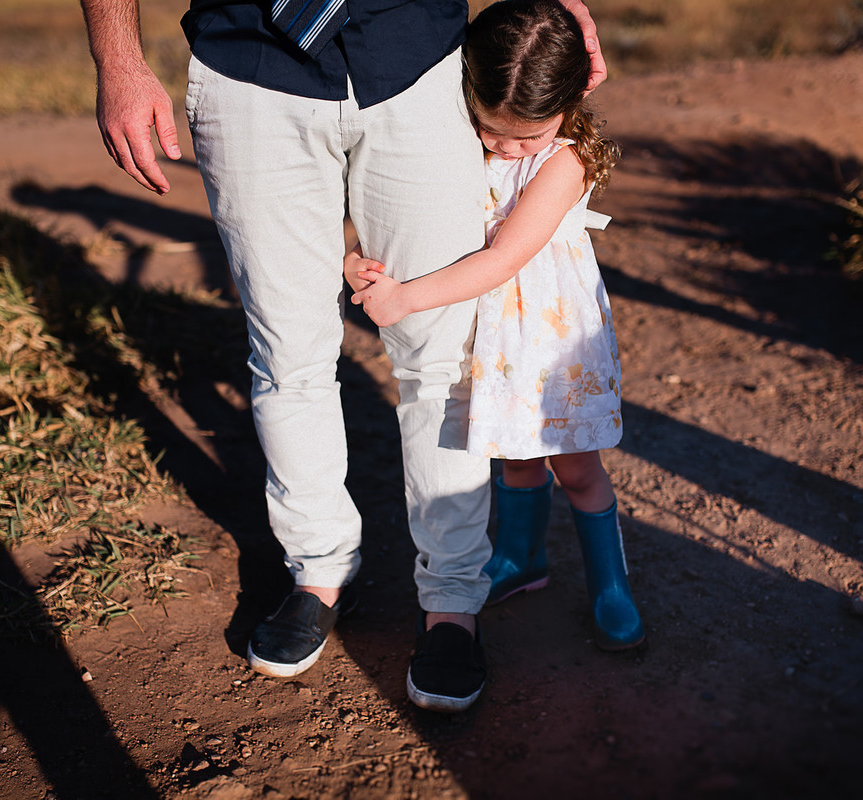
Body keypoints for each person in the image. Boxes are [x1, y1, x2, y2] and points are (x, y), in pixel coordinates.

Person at [78, 0, 609, 712]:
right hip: (249, 68)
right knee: (286, 350)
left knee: (441, 357)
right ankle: (319, 571)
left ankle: (452, 600)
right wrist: (118, 58)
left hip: (417, 61)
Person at [348, 0, 645, 651]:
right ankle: (520, 560)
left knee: (576, 468)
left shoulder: (565, 163)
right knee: (514, 458)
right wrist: (359, 255)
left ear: (567, 107)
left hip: (547, 339)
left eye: (524, 137)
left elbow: (503, 257)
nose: (505, 147)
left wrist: (406, 299)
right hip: (494, 337)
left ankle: (611, 586)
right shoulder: (468, 136)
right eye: (490, 129)